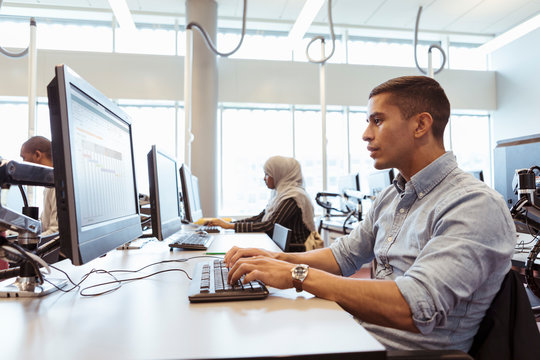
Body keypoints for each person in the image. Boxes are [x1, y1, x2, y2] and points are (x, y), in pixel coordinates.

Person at [224, 76, 516, 351]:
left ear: (420, 125)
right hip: (362, 334)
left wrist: (297, 274)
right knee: (246, 331)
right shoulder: (392, 195)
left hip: (405, 352)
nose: (366, 134)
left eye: (377, 121)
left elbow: (416, 306)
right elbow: (344, 256)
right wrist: (277, 259)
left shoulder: (474, 204)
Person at [206, 155, 316, 248]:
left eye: (267, 174)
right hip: (281, 249)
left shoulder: (292, 197)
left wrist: (230, 226)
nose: (264, 178)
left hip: (294, 254)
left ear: (279, 175)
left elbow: (269, 226)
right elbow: (259, 217)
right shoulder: (280, 195)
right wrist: (229, 224)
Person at [20, 136, 58, 236]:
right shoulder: (49, 186)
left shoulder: (57, 185)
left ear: (37, 155)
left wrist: (20, 244)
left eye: (24, 158)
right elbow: (45, 224)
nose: (23, 163)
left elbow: (55, 231)